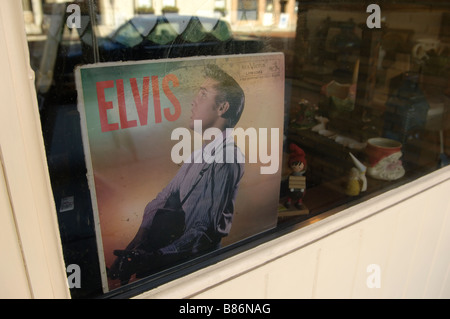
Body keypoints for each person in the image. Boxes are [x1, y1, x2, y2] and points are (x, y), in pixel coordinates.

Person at [108, 64, 245, 284]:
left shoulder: (227, 157)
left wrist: (150, 258)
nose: (193, 101)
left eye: (202, 94)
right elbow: (160, 202)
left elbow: (203, 234)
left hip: (192, 275)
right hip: (167, 266)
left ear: (222, 108)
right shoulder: (199, 154)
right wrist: (132, 251)